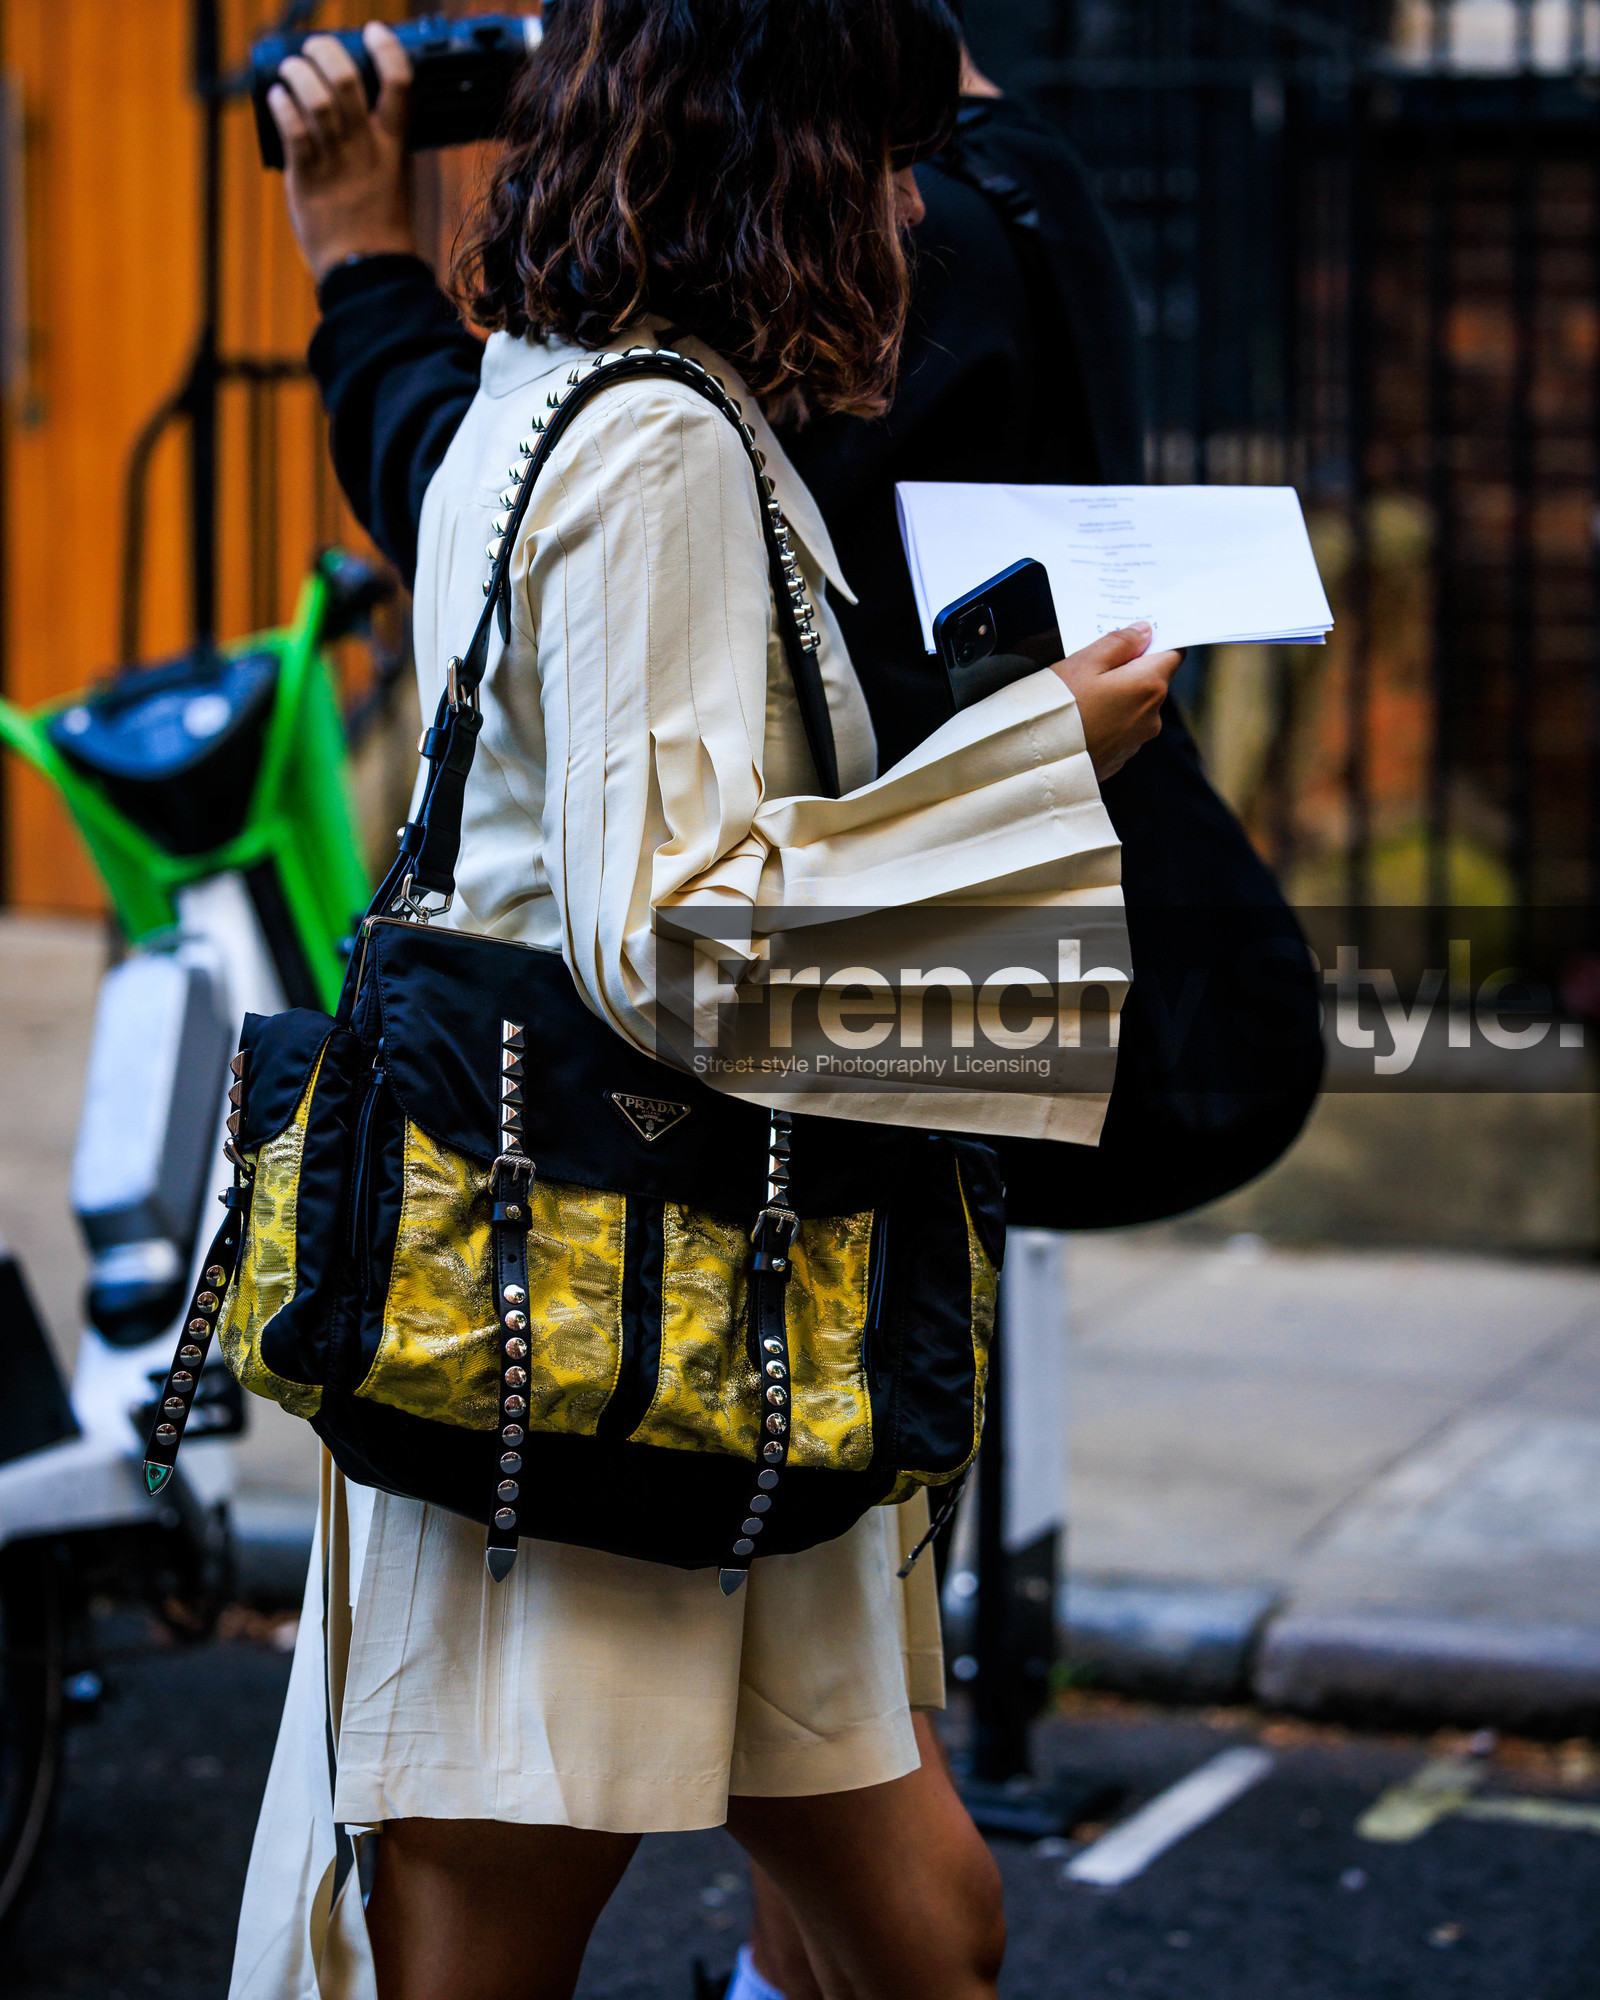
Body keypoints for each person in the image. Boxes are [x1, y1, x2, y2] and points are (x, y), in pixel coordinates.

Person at [235, 7, 1183, 2000]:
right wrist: (1039, 763)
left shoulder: (601, 396)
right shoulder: (654, 437)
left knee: (927, 1932)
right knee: (473, 1962)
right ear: (791, 151)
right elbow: (664, 937)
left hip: (702, 1323)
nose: (910, 200)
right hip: (590, 1330)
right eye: (882, 142)